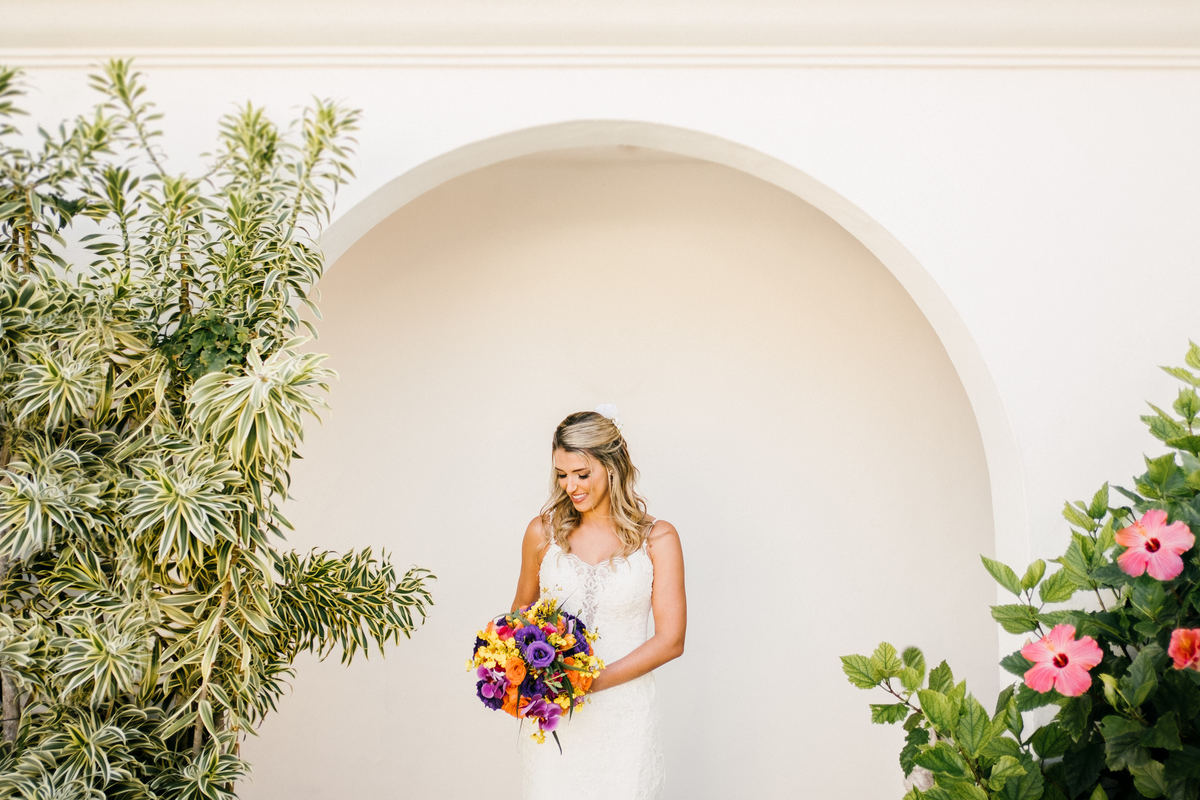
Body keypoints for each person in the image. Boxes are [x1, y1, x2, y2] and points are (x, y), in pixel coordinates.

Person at [512, 410, 686, 800]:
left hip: (623, 718)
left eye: (581, 473)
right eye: (561, 474)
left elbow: (671, 640)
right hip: (552, 718)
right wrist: (514, 665)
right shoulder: (543, 533)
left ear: (612, 466)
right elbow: (519, 614)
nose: (570, 485)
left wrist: (586, 682)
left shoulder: (658, 539)